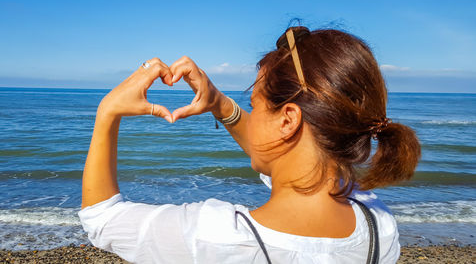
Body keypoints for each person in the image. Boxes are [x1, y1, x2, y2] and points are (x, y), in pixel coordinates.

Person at [79, 26, 421, 263]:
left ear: (287, 120)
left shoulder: (215, 239)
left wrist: (107, 112)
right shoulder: (379, 224)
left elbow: (102, 219)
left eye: (255, 106)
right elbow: (300, 167)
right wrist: (221, 105)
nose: (251, 115)